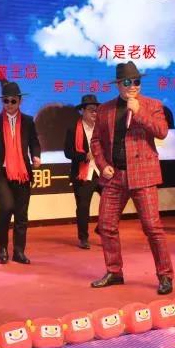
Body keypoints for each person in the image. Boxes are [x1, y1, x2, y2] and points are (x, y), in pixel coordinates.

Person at [89, 62, 174, 295]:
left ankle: (165, 275)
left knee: (152, 227)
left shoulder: (152, 105)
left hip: (143, 175)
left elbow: (161, 132)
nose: (133, 86)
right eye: (127, 82)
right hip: (114, 175)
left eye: (137, 81)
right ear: (118, 84)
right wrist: (103, 165)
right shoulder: (105, 109)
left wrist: (138, 111)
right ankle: (114, 271)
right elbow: (95, 141)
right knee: (106, 226)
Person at [0, 81, 41, 264]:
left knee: (21, 214)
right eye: (5, 101)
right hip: (1, 172)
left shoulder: (28, 121)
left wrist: (36, 155)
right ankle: (3, 248)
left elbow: (34, 142)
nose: (9, 104)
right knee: (6, 207)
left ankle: (19, 252)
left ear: (20, 101)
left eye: (13, 101)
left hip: (22, 173)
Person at [63, 94, 102, 249]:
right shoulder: (73, 129)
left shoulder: (102, 128)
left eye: (96, 110)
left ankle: (102, 227)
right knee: (83, 207)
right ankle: (83, 238)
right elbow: (67, 153)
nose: (94, 113)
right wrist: (84, 156)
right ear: (82, 111)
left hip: (102, 171)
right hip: (82, 173)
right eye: (91, 110)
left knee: (113, 203)